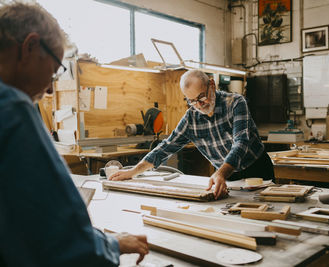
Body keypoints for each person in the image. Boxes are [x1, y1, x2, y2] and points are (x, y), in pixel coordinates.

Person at [0, 3, 148, 266]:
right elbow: (69, 241)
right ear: (30, 47)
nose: (49, 90)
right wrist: (112, 243)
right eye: (55, 70)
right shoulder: (11, 106)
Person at [110, 69, 275, 199]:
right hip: (227, 177)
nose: (199, 105)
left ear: (212, 85)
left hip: (257, 169)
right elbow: (165, 147)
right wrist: (133, 171)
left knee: (266, 212)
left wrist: (220, 173)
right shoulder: (191, 118)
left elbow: (241, 142)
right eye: (192, 101)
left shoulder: (235, 103)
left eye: (202, 97)